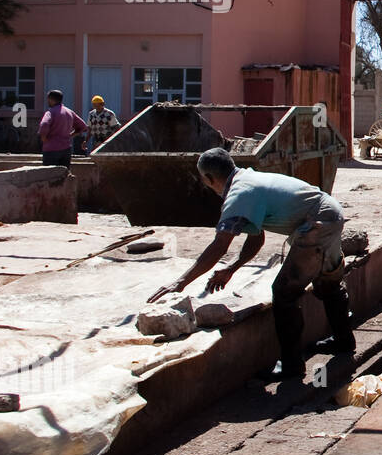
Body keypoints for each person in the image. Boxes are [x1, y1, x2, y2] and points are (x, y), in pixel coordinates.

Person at [148, 148, 354, 382]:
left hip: (317, 223)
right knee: (327, 282)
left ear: (208, 178)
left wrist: (181, 282)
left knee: (285, 293)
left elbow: (219, 246)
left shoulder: (239, 194)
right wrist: (232, 269)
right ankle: (344, 342)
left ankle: (292, 366)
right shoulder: (247, 178)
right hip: (329, 211)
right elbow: (256, 238)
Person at [38, 89, 87, 169]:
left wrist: (43, 138)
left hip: (51, 149)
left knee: (49, 176)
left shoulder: (50, 112)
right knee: (64, 175)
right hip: (66, 149)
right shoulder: (69, 112)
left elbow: (44, 124)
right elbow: (83, 127)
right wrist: (71, 135)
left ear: (51, 99)